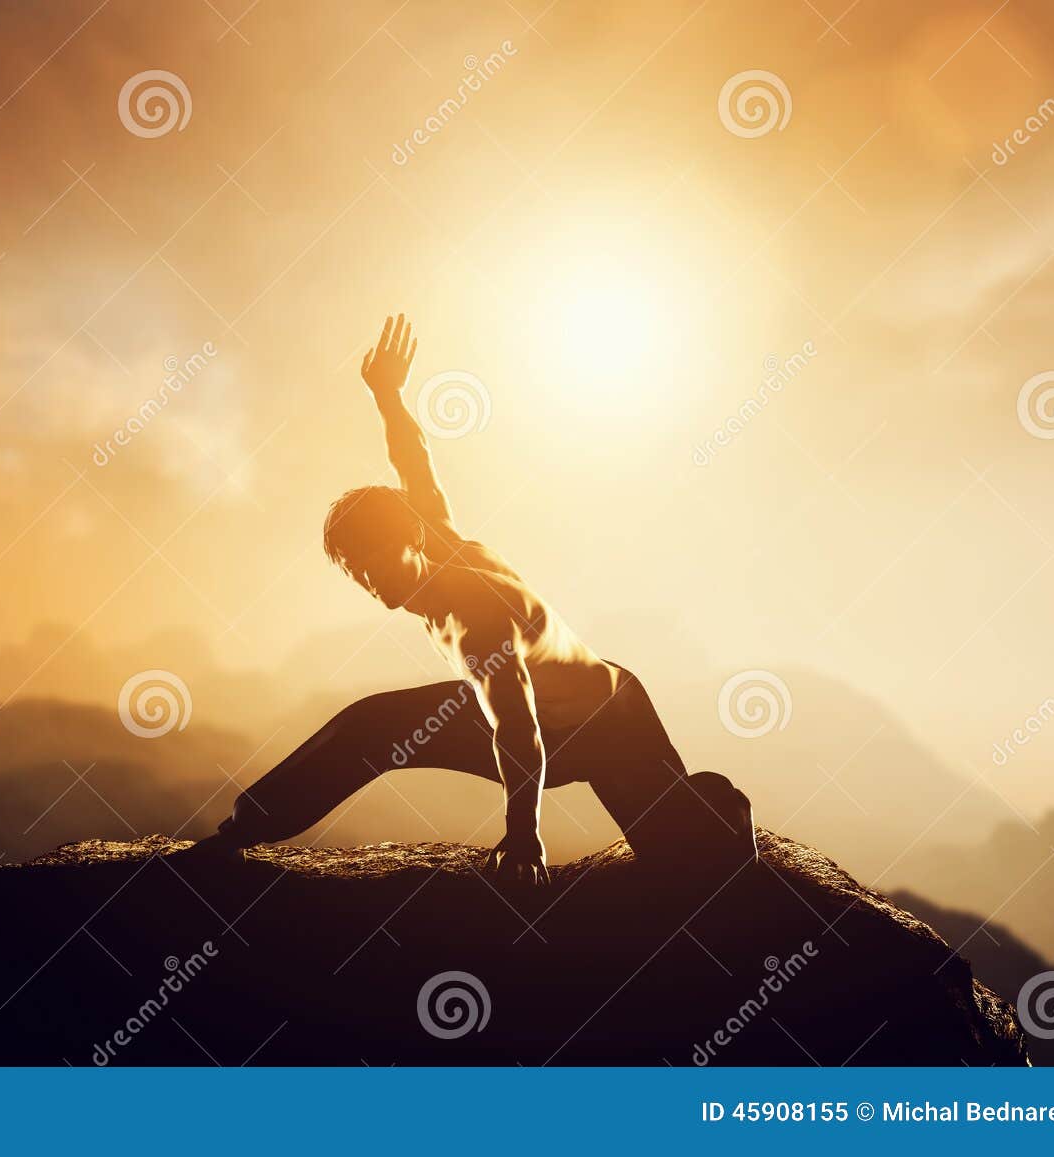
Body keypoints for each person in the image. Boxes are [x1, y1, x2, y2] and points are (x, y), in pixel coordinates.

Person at [187, 315, 756, 885]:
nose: (370, 579)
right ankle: (236, 833)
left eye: (377, 561)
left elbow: (517, 728)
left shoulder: (474, 616)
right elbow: (413, 455)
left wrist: (524, 835)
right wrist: (388, 394)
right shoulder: (431, 527)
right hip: (534, 708)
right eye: (357, 570)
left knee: (687, 859)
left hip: (607, 724)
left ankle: (719, 803)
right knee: (371, 725)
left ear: (410, 541)